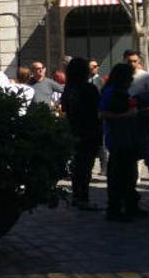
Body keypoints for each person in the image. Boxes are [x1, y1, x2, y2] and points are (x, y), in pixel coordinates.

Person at [99, 63, 149, 222]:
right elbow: (103, 114)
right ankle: (115, 209)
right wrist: (128, 114)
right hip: (117, 139)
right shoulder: (110, 91)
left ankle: (130, 206)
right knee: (118, 176)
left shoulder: (122, 91)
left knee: (130, 175)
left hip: (128, 138)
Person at [124, 50, 149, 208]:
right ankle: (130, 196)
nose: (132, 64)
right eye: (129, 61)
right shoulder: (120, 76)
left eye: (134, 61)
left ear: (138, 61)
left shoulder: (145, 77)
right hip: (126, 123)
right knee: (128, 162)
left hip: (142, 122)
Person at [62, 58, 102, 210]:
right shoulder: (89, 89)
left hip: (74, 130)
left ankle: (76, 196)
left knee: (77, 165)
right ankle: (83, 197)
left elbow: (64, 108)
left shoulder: (68, 88)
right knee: (86, 166)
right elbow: (97, 109)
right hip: (89, 130)